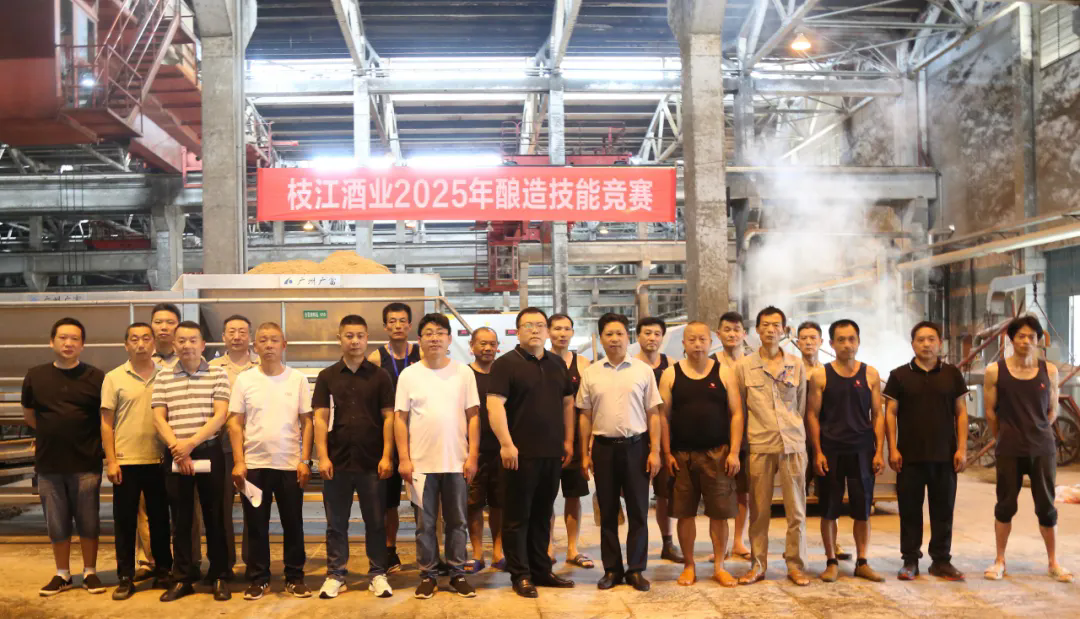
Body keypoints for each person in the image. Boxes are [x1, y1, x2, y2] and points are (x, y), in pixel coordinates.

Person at [487, 307, 576, 598]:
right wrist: (506, 443)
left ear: (547, 330)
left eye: (540, 325)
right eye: (528, 325)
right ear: (517, 331)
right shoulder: (505, 364)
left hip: (551, 452)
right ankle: (521, 575)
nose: (535, 330)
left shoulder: (556, 363)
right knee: (517, 517)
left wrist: (568, 440)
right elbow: (494, 405)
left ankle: (541, 570)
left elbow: (567, 403)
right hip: (518, 455)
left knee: (542, 514)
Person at [395, 313, 480, 599]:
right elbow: (400, 419)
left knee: (457, 522)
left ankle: (457, 574)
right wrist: (404, 459)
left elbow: (473, 416)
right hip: (420, 465)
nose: (435, 338)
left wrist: (472, 456)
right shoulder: (409, 375)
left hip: (456, 461)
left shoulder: (463, 373)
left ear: (449, 339)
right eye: (429, 333)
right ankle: (428, 575)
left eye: (440, 333)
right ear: (419, 340)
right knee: (425, 525)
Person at [227, 322, 314, 600]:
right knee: (256, 525)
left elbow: (307, 422)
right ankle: (259, 579)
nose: (268, 345)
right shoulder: (245, 380)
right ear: (255, 346)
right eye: (263, 340)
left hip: (289, 464)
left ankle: (294, 577)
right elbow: (235, 423)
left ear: (283, 345)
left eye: (274, 340)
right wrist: (239, 461)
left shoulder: (297, 379)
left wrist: (305, 460)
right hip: (254, 465)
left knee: (293, 523)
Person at [983, 315, 1073, 583]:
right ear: (1011, 339)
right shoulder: (995, 371)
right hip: (1009, 449)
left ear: (1038, 340)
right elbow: (990, 412)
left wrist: (1037, 430)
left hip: (1042, 449)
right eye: (1020, 336)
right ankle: (999, 560)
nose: (1025, 341)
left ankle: (1053, 562)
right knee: (1005, 505)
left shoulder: (1050, 371)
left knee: (1046, 506)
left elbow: (1052, 411)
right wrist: (1004, 437)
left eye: (1031, 337)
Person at [22, 318, 107, 597]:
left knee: (88, 520)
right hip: (49, 464)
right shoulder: (35, 376)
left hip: (86, 462)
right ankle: (63, 574)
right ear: (52, 342)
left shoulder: (96, 377)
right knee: (56, 522)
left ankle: (90, 572)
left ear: (82, 345)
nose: (68, 343)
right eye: (62, 338)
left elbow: (104, 418)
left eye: (74, 339)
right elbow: (30, 415)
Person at [313, 315, 395, 599]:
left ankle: (378, 574)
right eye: (349, 335)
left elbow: (389, 418)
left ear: (367, 339)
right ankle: (336, 574)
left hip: (372, 462)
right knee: (336, 524)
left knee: (375, 522)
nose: (355, 341)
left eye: (360, 335)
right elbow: (320, 418)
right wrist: (322, 457)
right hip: (337, 463)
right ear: (340, 339)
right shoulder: (327, 377)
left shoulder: (380, 376)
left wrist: (387, 456)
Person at [579, 313, 663, 592]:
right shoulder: (591, 373)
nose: (614, 339)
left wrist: (655, 451)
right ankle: (612, 569)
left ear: (628, 337)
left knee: (638, 511)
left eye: (619, 334)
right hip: (603, 449)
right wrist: (584, 453)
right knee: (608, 511)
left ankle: (636, 569)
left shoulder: (642, 371)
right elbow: (585, 415)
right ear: (601, 338)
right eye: (609, 334)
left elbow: (653, 413)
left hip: (636, 448)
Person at [659, 321, 744, 587]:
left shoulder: (724, 373)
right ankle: (689, 565)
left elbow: (737, 414)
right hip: (681, 455)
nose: (697, 344)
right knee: (684, 513)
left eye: (702, 339)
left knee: (719, 513)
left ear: (710, 342)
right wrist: (666, 452)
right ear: (684, 343)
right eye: (692, 339)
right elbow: (663, 417)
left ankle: (719, 566)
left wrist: (734, 452)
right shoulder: (671, 374)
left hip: (717, 454)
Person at [151, 321, 231, 602]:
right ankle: (182, 578)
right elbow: (158, 417)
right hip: (175, 453)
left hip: (208, 451)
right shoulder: (163, 376)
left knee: (215, 516)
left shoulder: (218, 374)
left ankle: (219, 575)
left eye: (193, 340)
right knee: (181, 519)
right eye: (181, 341)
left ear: (203, 345)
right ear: (174, 345)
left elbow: (220, 416)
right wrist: (178, 448)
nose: (187, 346)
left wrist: (190, 444)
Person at [884, 321, 968, 581]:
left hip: (945, 456)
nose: (926, 344)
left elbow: (961, 412)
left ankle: (941, 561)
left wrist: (962, 448)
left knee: (943, 511)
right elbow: (890, 413)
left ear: (939, 343)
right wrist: (892, 448)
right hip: (909, 457)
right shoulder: (899, 376)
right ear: (912, 344)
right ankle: (910, 560)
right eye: (920, 340)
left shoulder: (952, 374)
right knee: (910, 511)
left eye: (931, 339)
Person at [735, 307, 811, 586]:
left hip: (793, 444)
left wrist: (796, 434)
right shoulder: (744, 366)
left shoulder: (796, 364)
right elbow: (739, 410)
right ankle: (758, 565)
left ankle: (796, 565)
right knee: (759, 511)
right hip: (760, 444)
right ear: (757, 329)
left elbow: (801, 405)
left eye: (776, 325)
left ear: (784, 330)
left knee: (796, 510)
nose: (770, 329)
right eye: (765, 325)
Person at [805, 319, 885, 583]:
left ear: (858, 342)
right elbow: (812, 415)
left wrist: (879, 451)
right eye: (841, 340)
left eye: (852, 339)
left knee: (863, 509)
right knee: (829, 509)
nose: (847, 344)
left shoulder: (871, 374)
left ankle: (862, 561)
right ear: (831, 344)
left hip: (862, 450)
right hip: (831, 451)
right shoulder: (821, 375)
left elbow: (878, 415)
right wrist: (817, 452)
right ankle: (831, 561)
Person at [101, 322, 172, 599]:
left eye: (145, 338)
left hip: (159, 459)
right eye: (134, 339)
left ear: (153, 343)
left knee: (160, 519)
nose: (140, 344)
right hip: (126, 461)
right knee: (125, 522)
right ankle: (125, 577)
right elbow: (107, 424)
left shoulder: (166, 376)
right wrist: (111, 460)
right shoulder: (114, 378)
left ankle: (164, 571)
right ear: (126, 345)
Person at [368, 301, 421, 573]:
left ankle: (428, 550)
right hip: (387, 438)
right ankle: (389, 550)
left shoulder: (421, 354)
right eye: (392, 321)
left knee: (423, 500)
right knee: (388, 501)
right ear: (385, 326)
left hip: (419, 436)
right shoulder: (376, 358)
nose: (398, 325)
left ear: (410, 325)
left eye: (402, 321)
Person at [796, 321, 851, 563]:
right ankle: (796, 546)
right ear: (797, 342)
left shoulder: (830, 372)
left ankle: (833, 545)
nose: (808, 342)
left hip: (825, 442)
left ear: (821, 342)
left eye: (813, 338)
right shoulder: (791, 370)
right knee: (796, 496)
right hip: (798, 440)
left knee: (830, 496)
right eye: (804, 338)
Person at [208, 314, 258, 578]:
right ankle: (224, 564)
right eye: (231, 332)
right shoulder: (211, 367)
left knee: (254, 505)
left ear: (250, 336)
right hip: (220, 446)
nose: (237, 336)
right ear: (223, 336)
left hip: (255, 447)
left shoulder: (263, 365)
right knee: (221, 507)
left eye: (242, 331)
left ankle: (254, 563)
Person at [136, 302, 183, 580]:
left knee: (182, 508)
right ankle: (148, 561)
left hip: (180, 446)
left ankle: (183, 560)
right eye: (158, 322)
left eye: (170, 322)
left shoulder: (187, 358)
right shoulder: (141, 358)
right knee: (145, 508)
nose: (163, 327)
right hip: (147, 445)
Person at [546, 314, 593, 570]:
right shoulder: (541, 361)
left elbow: (589, 407)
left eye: (567, 329)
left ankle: (573, 548)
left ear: (573, 332)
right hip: (548, 439)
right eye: (557, 329)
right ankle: (548, 546)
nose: (562, 333)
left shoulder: (583, 364)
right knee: (546, 496)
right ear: (548, 332)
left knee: (574, 495)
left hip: (576, 439)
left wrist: (588, 445)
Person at [634, 316, 682, 564]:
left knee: (664, 494)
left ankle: (667, 543)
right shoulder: (631, 366)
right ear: (638, 336)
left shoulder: (671, 366)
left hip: (664, 438)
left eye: (656, 334)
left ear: (662, 338)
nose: (652, 338)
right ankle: (637, 545)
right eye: (647, 333)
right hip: (636, 437)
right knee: (637, 494)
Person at [466, 327, 506, 573]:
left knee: (500, 503)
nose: (488, 348)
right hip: (473, 451)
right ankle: (477, 554)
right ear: (472, 346)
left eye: (492, 344)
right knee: (474, 504)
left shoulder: (503, 374)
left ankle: (499, 553)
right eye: (482, 343)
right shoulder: (464, 375)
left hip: (501, 450)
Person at [714, 311, 751, 561]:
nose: (732, 334)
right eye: (727, 329)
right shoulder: (710, 362)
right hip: (717, 434)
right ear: (718, 334)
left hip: (748, 436)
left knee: (743, 491)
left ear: (744, 334)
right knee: (718, 493)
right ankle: (721, 544)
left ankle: (739, 540)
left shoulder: (752, 364)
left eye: (736, 329)